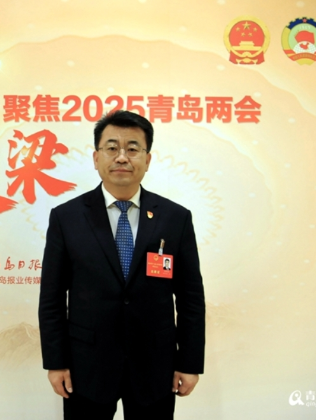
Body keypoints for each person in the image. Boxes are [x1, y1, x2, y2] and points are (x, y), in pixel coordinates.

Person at [39, 110, 205, 420]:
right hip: (86, 365)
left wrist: (190, 362)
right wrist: (56, 362)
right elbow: (51, 297)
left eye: (132, 148)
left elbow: (190, 298)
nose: (122, 157)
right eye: (112, 147)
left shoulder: (175, 218)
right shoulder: (66, 217)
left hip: (156, 365)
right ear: (96, 157)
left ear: (147, 159)